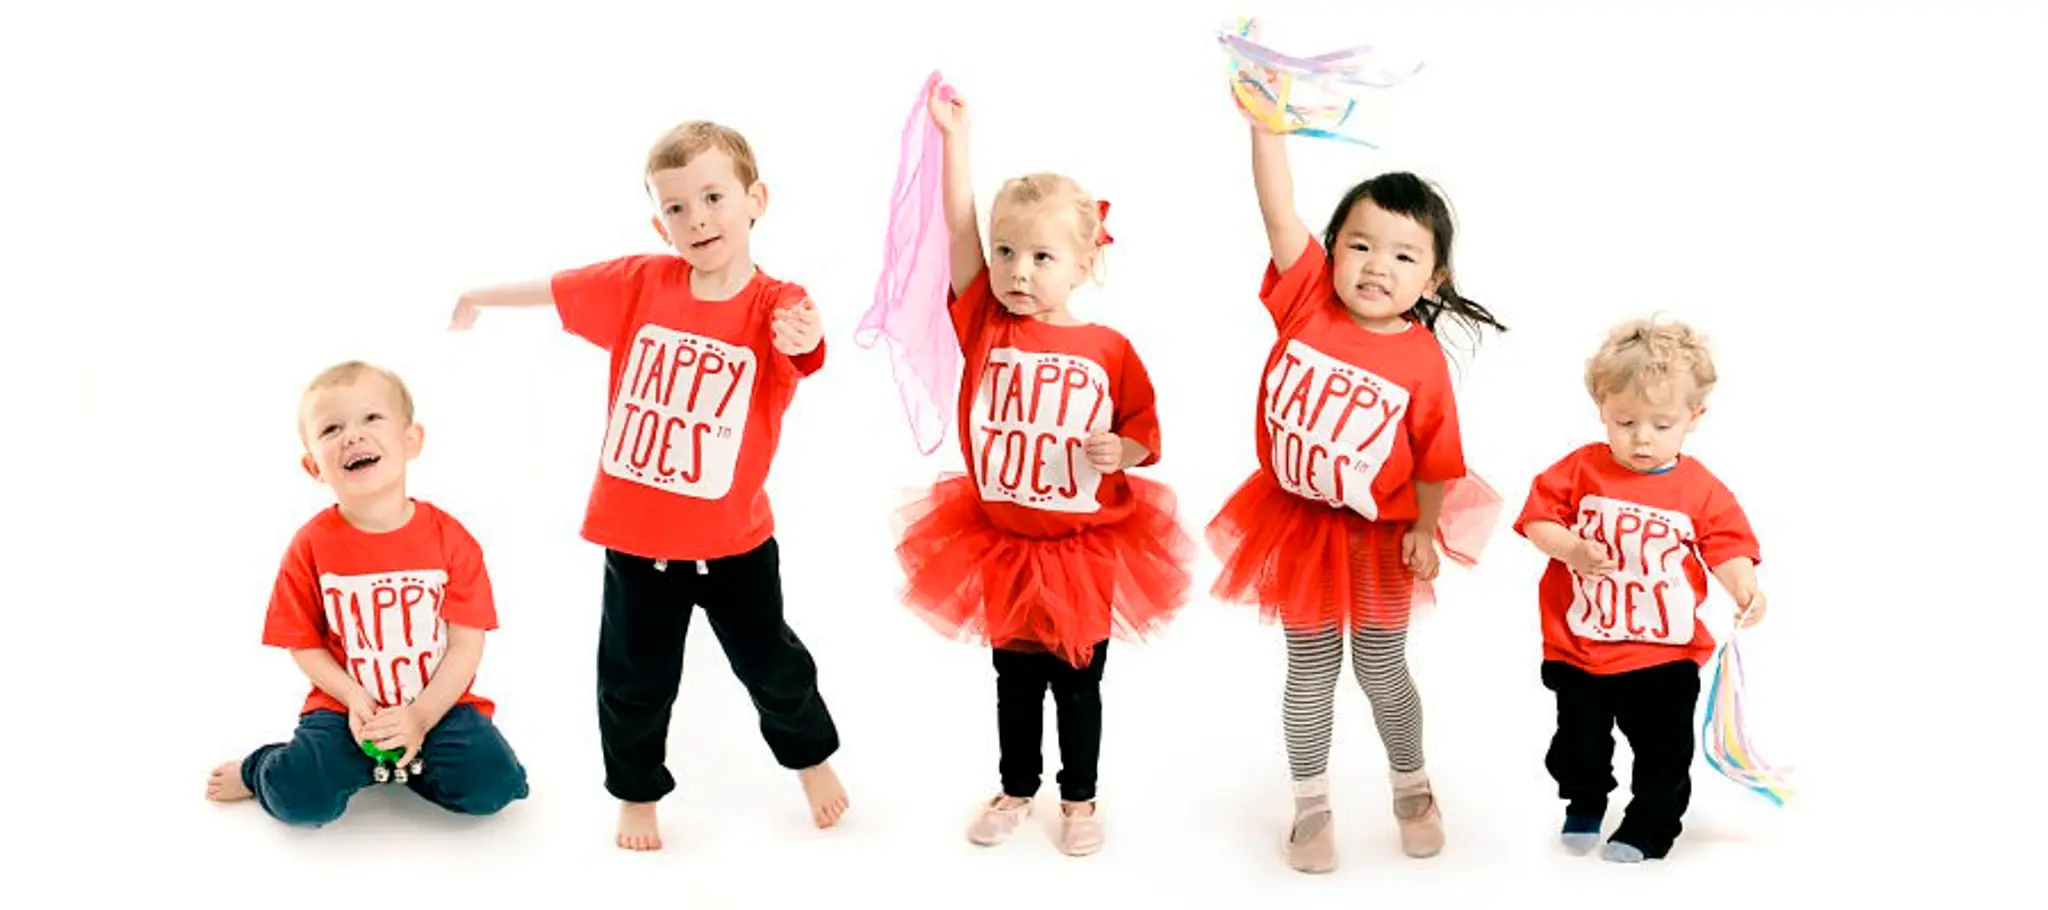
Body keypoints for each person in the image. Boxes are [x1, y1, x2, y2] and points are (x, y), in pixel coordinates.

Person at [448, 120, 847, 851]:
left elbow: (807, 339)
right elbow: (557, 287)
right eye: (676, 207)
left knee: (774, 666)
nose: (696, 219)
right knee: (632, 681)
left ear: (754, 199)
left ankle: (811, 760)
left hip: (735, 546)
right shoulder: (643, 282)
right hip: (638, 545)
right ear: (659, 222)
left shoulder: (774, 302)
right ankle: (637, 795)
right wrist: (477, 294)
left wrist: (804, 337)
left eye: (713, 197)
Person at [892, 84, 1195, 857]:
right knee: (1013, 676)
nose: (1017, 271)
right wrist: (956, 141)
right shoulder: (985, 322)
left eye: (1040, 256)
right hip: (1000, 537)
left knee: (1080, 679)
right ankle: (1016, 785)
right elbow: (957, 228)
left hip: (1081, 546)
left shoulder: (1108, 348)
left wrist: (1118, 451)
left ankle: (1081, 799)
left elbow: (1142, 430)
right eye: (1005, 252)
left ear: (1084, 263)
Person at [1205, 108, 1507, 873]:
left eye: (1404, 255)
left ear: (1431, 277)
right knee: (1308, 669)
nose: (1377, 265)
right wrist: (1262, 126)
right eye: (1361, 244)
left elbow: (1438, 458)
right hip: (1300, 527)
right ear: (1332, 249)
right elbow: (1276, 207)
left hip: (1379, 535)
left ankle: (1412, 785)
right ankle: (1310, 807)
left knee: (1381, 667)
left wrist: (1424, 529)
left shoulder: (1422, 360)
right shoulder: (1306, 299)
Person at [204, 361, 530, 825]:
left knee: (494, 786)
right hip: (346, 708)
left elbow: (466, 643)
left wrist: (419, 716)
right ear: (314, 465)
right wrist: (355, 699)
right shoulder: (311, 545)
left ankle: (406, 764)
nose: (352, 436)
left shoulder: (451, 538)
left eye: (371, 418)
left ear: (411, 440)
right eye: (332, 428)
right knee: (301, 799)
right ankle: (261, 768)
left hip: (438, 704)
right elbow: (303, 641)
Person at [1512, 315, 1767, 863]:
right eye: (1625, 421)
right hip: (1581, 646)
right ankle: (1584, 798)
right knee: (1577, 742)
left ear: (1694, 418)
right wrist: (1573, 549)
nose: (1641, 438)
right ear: (1601, 406)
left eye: (1660, 424)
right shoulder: (1581, 470)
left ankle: (1650, 824)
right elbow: (1537, 521)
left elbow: (1725, 544)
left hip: (1663, 653)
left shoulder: (1697, 488)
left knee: (1662, 750)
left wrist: (1743, 585)